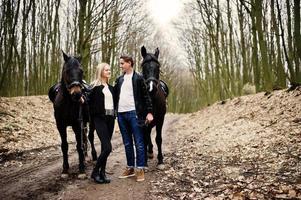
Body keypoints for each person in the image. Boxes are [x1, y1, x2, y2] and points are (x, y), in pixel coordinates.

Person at [114, 55, 153, 182]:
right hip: (121, 114)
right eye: (120, 63)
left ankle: (140, 168)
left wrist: (149, 112)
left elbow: (146, 96)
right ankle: (130, 167)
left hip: (134, 113)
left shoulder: (139, 78)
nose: (120, 66)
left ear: (129, 63)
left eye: (122, 63)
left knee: (139, 143)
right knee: (127, 143)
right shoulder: (119, 80)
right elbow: (115, 97)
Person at [88, 63, 115, 184]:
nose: (109, 71)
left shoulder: (112, 88)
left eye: (109, 70)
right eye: (106, 70)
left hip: (110, 118)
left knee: (105, 148)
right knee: (108, 147)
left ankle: (102, 173)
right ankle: (95, 172)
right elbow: (87, 103)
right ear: (101, 72)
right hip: (99, 119)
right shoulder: (94, 87)